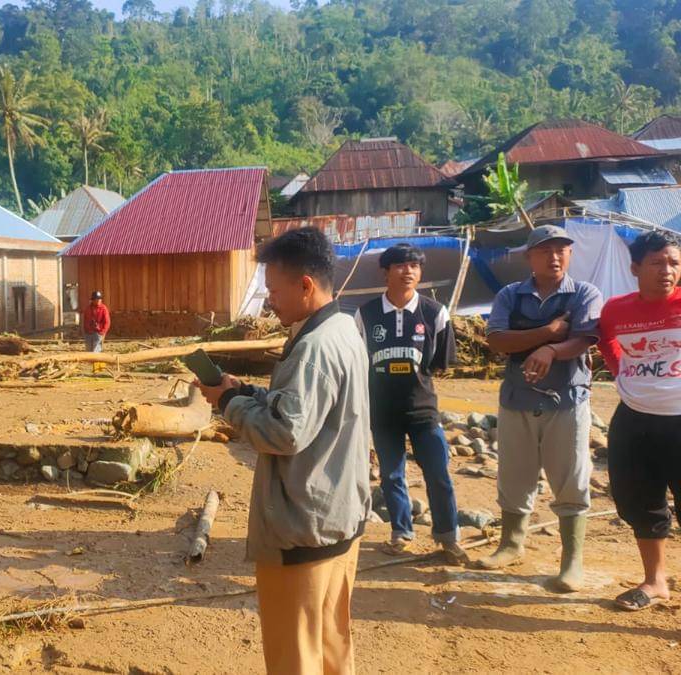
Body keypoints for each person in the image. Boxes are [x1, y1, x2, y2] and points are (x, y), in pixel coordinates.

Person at [196, 227, 370, 675]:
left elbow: (283, 433)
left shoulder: (312, 348)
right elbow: (307, 407)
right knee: (331, 646)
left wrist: (228, 403)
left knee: (295, 656)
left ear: (305, 285)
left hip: (302, 527)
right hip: (337, 519)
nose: (269, 299)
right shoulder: (343, 328)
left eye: (273, 289)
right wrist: (247, 390)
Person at [479, 225, 603, 593]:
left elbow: (584, 338)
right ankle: (511, 544)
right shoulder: (510, 295)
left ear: (570, 255)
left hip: (566, 399)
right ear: (528, 257)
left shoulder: (584, 293)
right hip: (517, 399)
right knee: (514, 474)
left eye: (562, 250)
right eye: (545, 250)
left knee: (570, 479)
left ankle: (571, 562)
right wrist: (549, 333)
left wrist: (550, 350)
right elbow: (496, 339)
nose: (554, 257)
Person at [354, 244, 468, 564]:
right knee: (391, 475)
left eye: (415, 266)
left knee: (438, 473)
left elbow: (440, 364)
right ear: (385, 271)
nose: (408, 271)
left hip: (423, 411)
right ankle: (401, 532)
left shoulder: (435, 313)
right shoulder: (365, 314)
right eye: (401, 265)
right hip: (383, 411)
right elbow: (357, 362)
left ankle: (448, 538)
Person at [596, 231, 681, 611]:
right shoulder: (616, 309)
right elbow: (606, 343)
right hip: (634, 420)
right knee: (640, 501)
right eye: (657, 263)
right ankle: (655, 581)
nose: (668, 270)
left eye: (674, 262)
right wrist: (623, 375)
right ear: (635, 268)